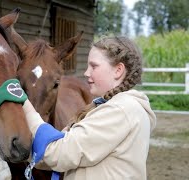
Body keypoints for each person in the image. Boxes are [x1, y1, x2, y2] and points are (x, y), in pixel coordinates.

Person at [22, 36, 157, 180]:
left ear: (118, 70)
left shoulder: (120, 111)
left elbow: (60, 154)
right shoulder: (111, 107)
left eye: (94, 66)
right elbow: (54, 156)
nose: (86, 73)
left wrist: (26, 106)